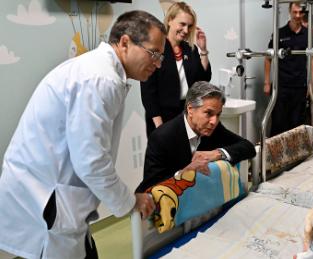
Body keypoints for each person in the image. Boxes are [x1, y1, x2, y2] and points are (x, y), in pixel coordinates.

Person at [0, 10, 165, 259]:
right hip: (45, 196)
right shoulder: (100, 79)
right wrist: (130, 201)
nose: (158, 63)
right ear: (125, 42)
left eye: (161, 56)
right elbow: (92, 161)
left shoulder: (101, 72)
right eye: (153, 53)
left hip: (54, 194)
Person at [136, 81, 256, 192]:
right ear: (190, 109)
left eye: (218, 114)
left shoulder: (214, 128)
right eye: (208, 113)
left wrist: (217, 153)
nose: (214, 121)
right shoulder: (161, 137)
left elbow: (248, 147)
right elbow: (149, 188)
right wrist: (184, 173)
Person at [141, 2, 211, 137]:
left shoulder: (190, 49)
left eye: (190, 26)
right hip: (162, 118)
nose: (186, 30)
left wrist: (203, 50)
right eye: (182, 24)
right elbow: (148, 92)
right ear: (169, 20)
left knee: (188, 156)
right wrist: (160, 126)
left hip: (186, 115)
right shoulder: (155, 49)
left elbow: (204, 79)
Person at [264, 2, 311, 137]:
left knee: (297, 124)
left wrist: (311, 84)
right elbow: (268, 57)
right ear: (289, 11)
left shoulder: (308, 34)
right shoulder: (279, 33)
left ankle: (295, 157)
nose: (297, 15)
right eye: (294, 12)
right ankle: (275, 156)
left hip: (299, 86)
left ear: (303, 13)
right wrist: (267, 82)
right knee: (279, 123)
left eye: (300, 12)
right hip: (281, 86)